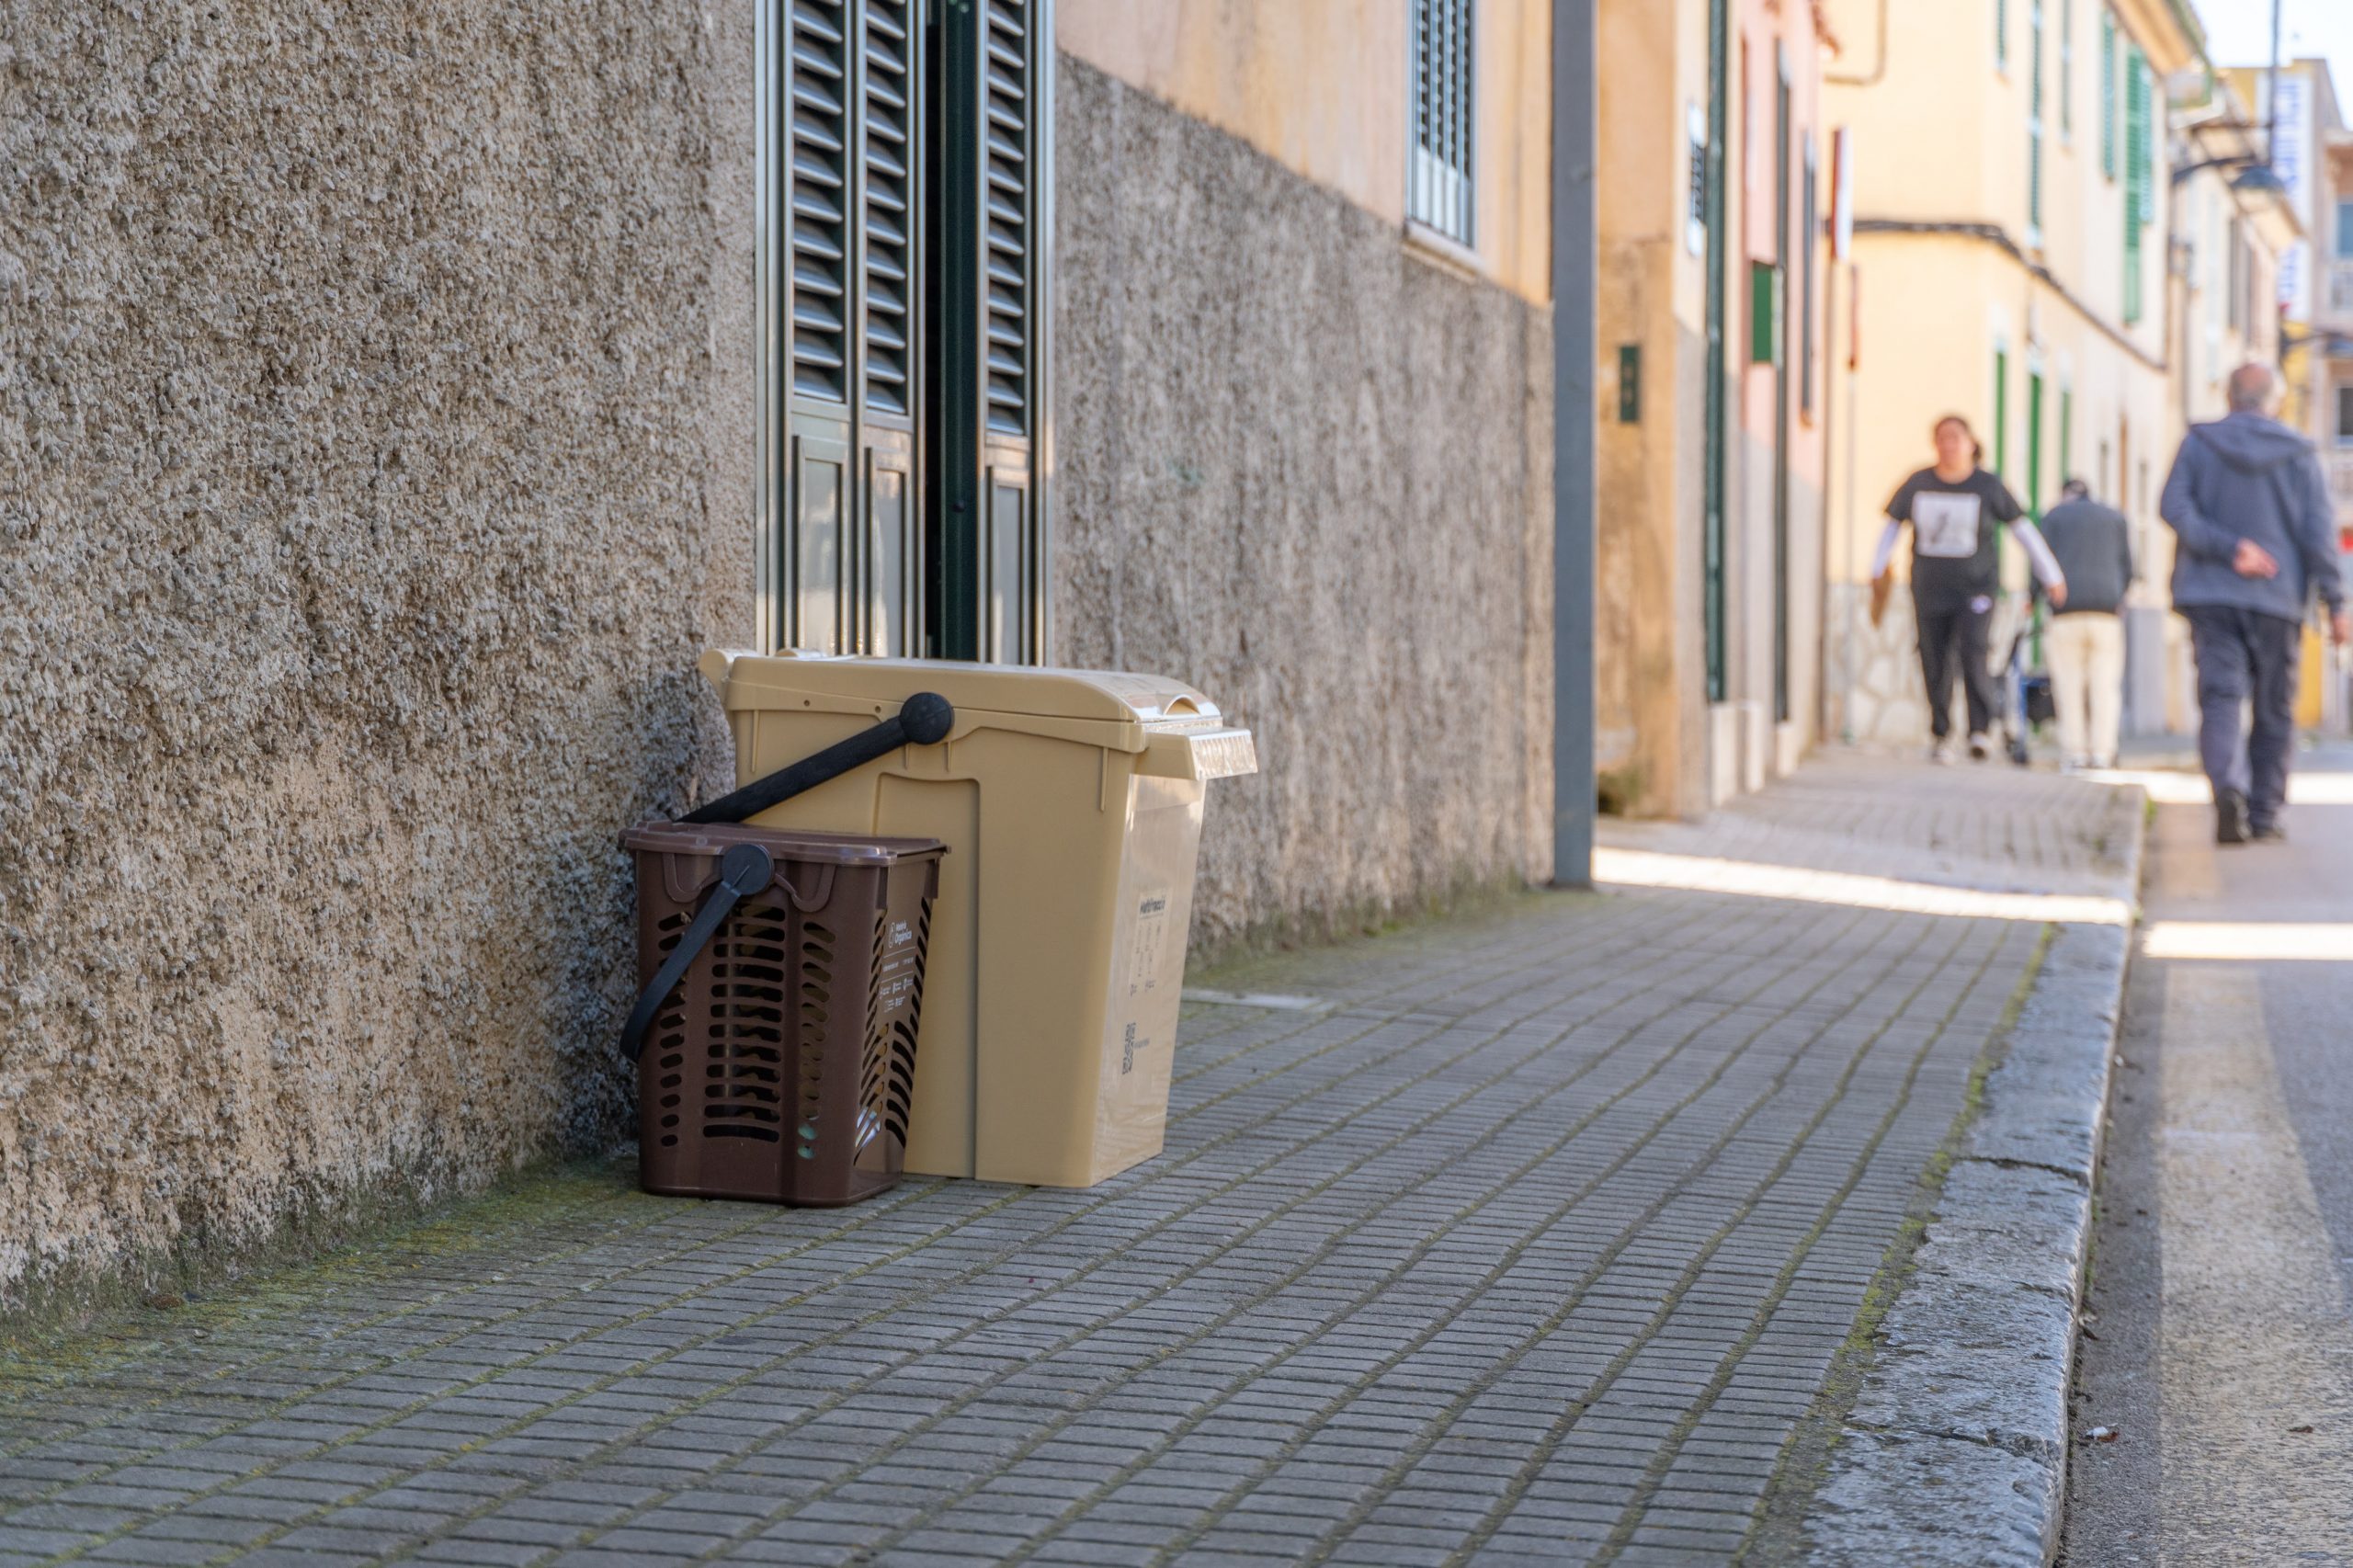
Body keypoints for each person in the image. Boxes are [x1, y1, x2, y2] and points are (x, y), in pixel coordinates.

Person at [2158, 363, 2352, 844]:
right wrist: (2337, 603)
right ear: (2275, 400)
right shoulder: (2299, 453)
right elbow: (2317, 535)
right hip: (2277, 599)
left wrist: (2227, 548)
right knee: (2274, 709)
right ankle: (2264, 812)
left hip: (2210, 593)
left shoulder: (2198, 443)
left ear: (2228, 395)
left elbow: (2174, 508)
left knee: (2220, 696)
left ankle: (2227, 785)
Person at [1870, 415, 2068, 764]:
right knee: (1935, 659)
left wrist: (2050, 573)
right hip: (1929, 588)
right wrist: (1876, 569)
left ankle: (1980, 729)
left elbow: (2022, 529)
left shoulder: (1988, 486)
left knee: (1975, 652)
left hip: (1977, 588)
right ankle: (1942, 733)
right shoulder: (1918, 483)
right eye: (1942, 439)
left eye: (1956, 438)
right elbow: (1891, 527)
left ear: (1971, 444)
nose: (1949, 446)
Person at [2035, 478, 2136, 770]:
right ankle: (2103, 752)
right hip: (2106, 611)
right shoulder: (2115, 518)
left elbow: (2040, 564)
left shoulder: (2053, 517)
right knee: (2105, 685)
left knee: (2068, 684)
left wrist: (2033, 596)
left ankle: (2074, 751)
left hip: (2066, 609)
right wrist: (2118, 595)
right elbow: (2127, 567)